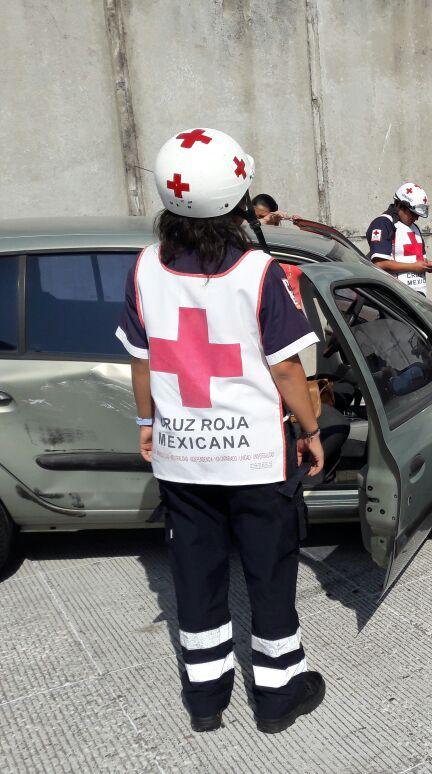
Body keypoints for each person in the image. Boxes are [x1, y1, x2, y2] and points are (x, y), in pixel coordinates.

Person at [115, 128, 326, 735]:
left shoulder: (145, 269)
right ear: (238, 200)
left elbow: (142, 359)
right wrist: (310, 429)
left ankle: (206, 697)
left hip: (184, 458)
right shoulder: (259, 272)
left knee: (195, 573)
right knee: (269, 570)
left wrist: (148, 423)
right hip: (257, 459)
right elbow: (286, 367)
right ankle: (278, 692)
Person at [365, 183, 432, 296]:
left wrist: (427, 265)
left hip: (418, 296)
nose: (416, 218)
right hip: (395, 296)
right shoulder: (383, 223)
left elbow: (416, 259)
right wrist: (414, 267)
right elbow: (379, 264)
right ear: (399, 205)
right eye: (413, 214)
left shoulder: (413, 227)